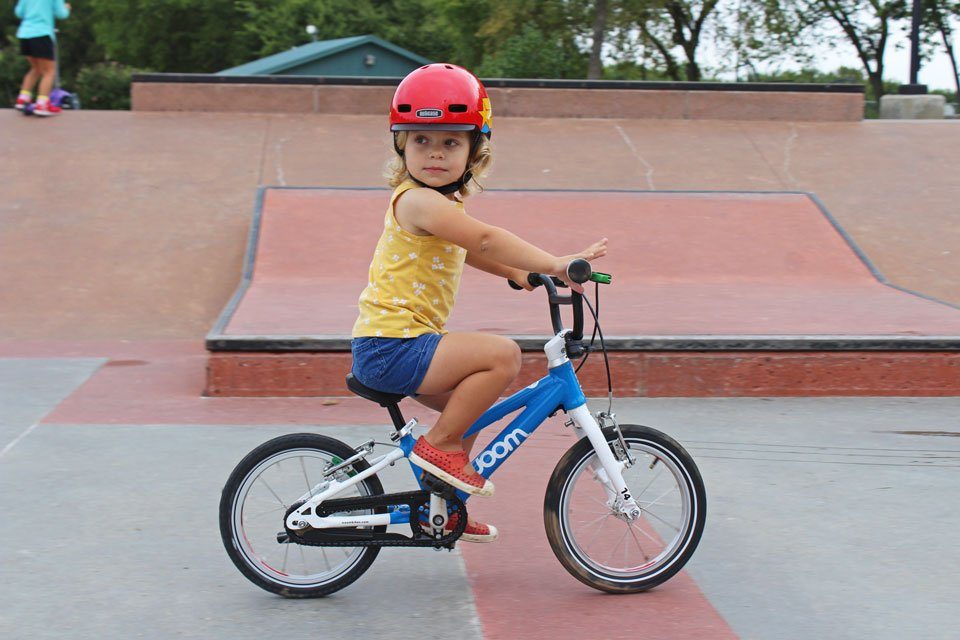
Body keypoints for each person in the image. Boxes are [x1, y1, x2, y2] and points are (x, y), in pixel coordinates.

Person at [350, 63, 608, 543]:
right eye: (422, 140)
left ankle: (442, 511)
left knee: (471, 414)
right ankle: (440, 446)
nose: (435, 153)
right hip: (393, 346)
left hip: (398, 346)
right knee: (503, 356)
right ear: (401, 145)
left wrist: (520, 274)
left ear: (474, 152)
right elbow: (485, 239)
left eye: (451, 142)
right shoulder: (419, 201)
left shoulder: (441, 208)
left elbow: (468, 250)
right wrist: (556, 262)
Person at [13, 0, 71, 116]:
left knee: (36, 69)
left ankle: (23, 99)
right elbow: (61, 14)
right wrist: (66, 8)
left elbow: (19, 12)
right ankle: (42, 104)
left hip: (25, 34)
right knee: (49, 71)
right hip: (42, 34)